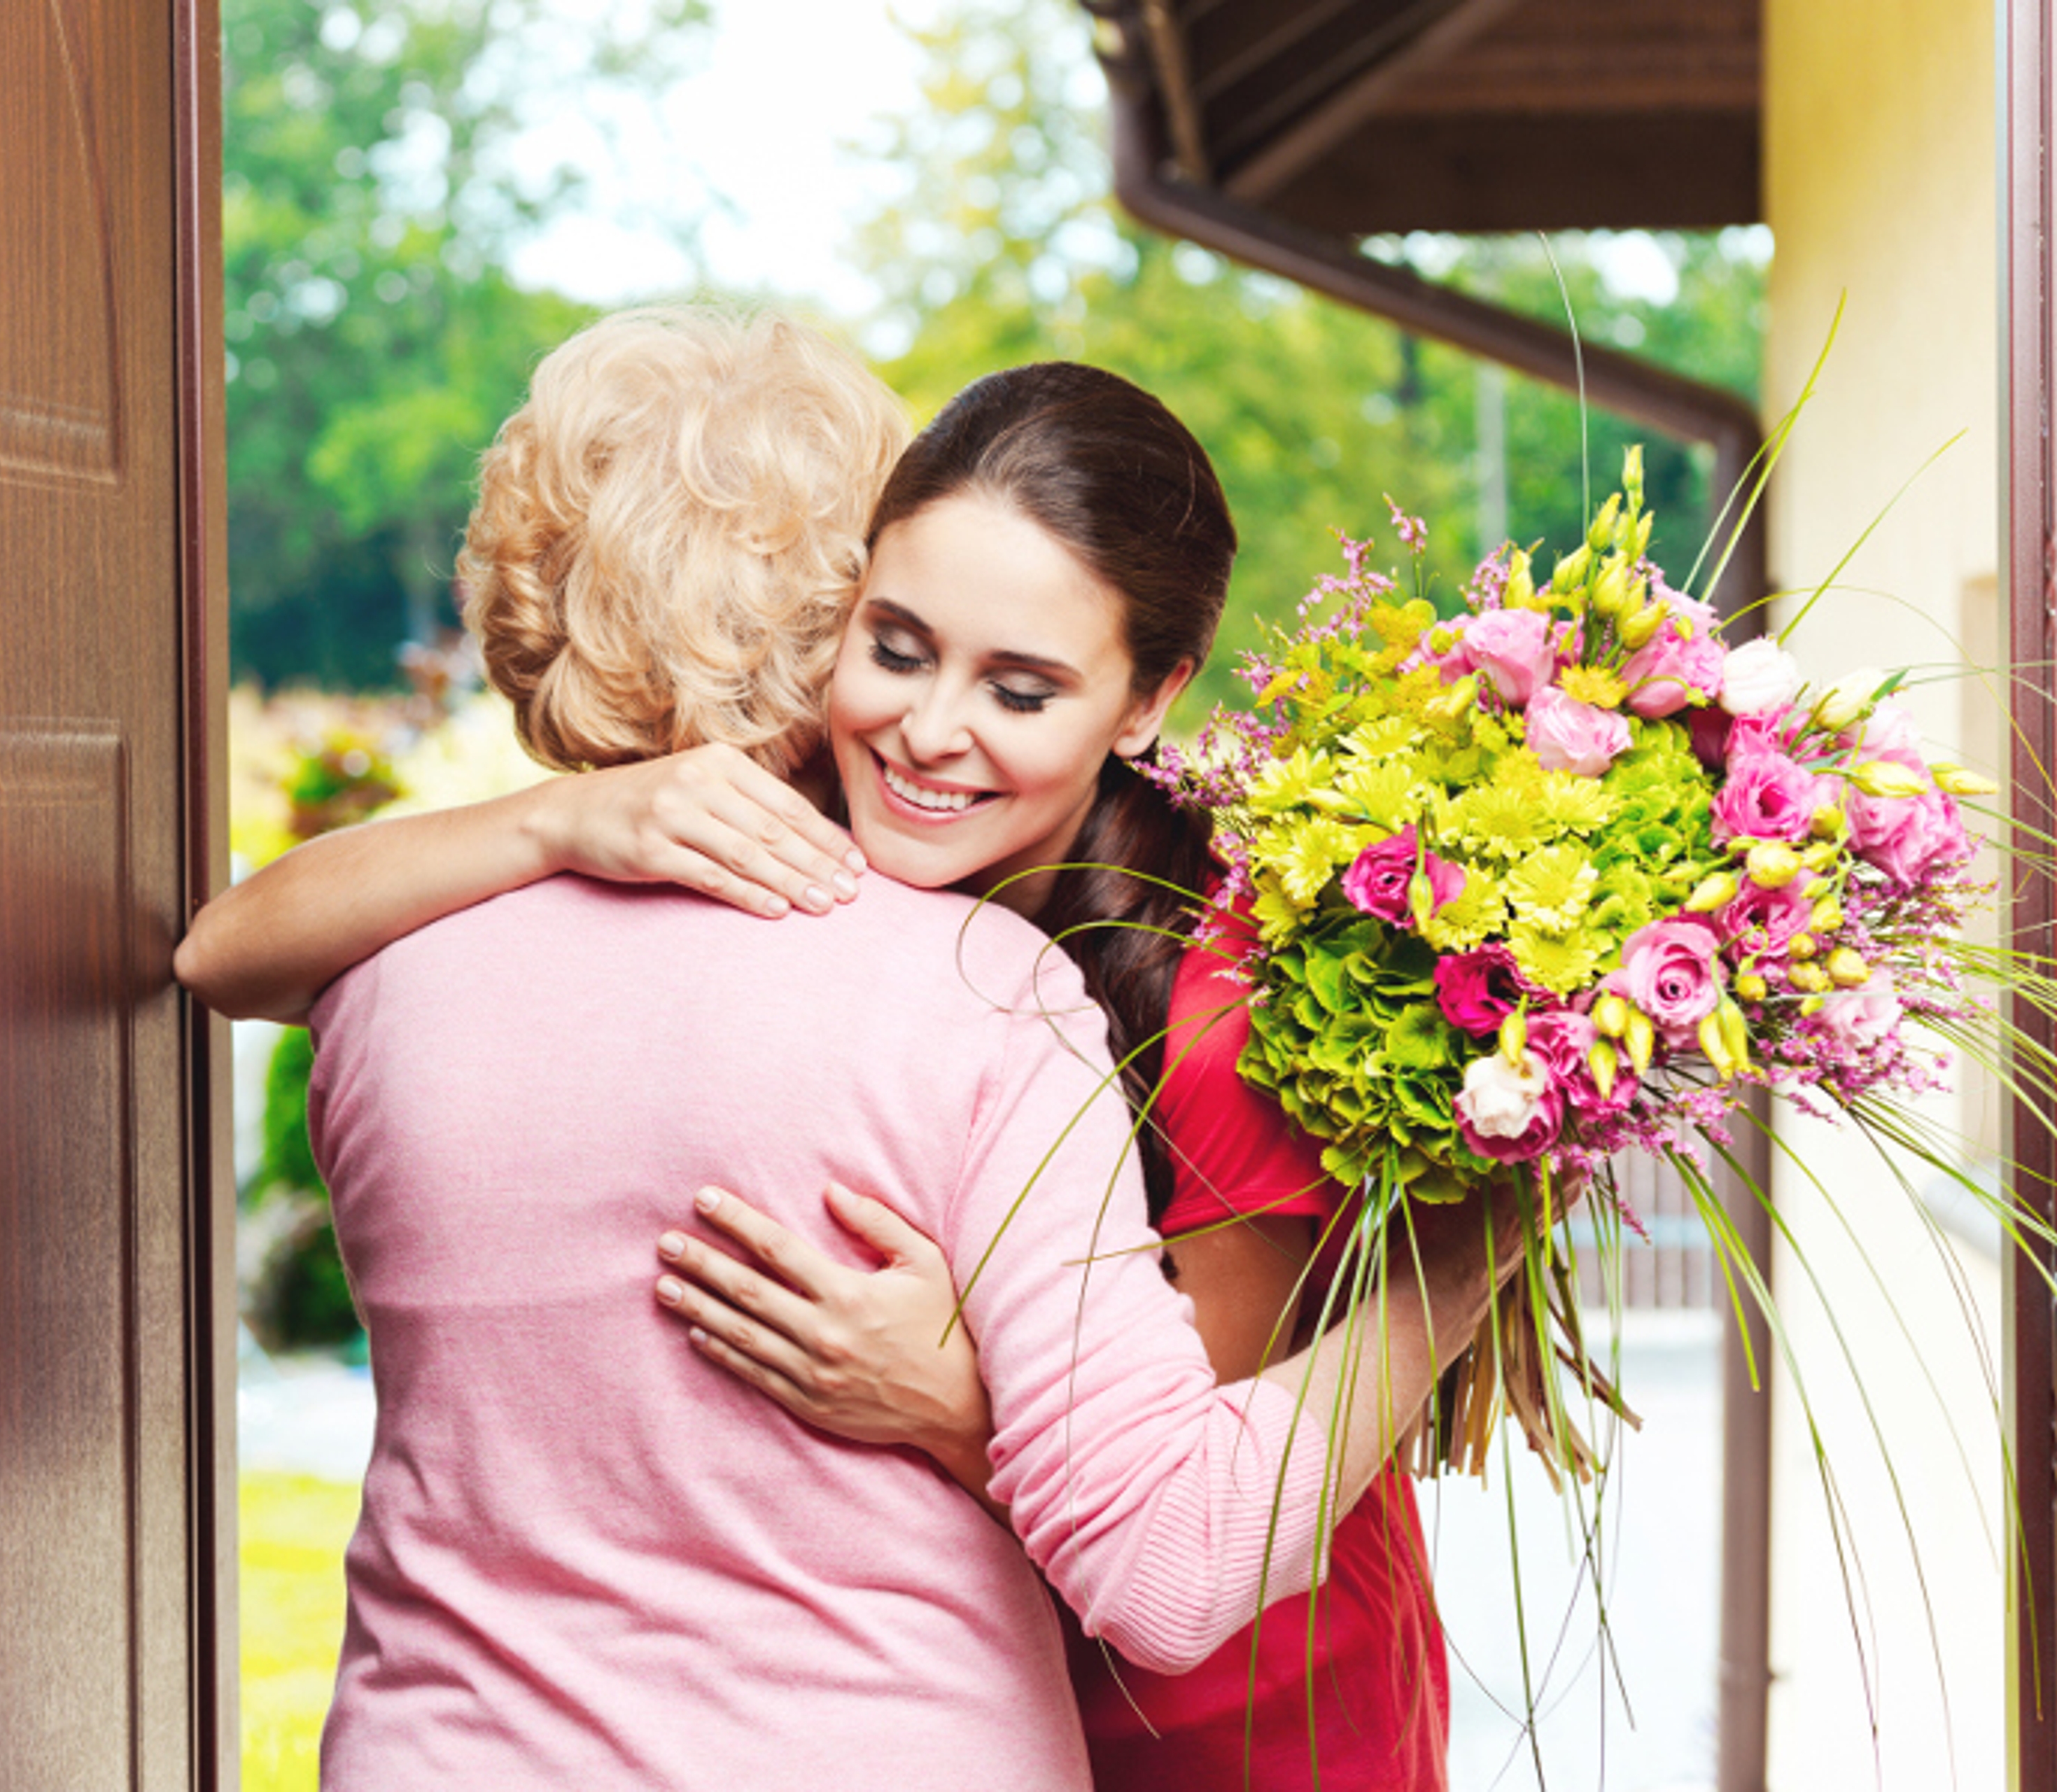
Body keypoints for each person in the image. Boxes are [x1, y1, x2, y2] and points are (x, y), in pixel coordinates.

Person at [175, 308, 1498, 1789]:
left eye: (1018, 683)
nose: (935, 727)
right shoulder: (975, 988)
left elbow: (223, 952)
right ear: (837, 609)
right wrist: (1468, 1252)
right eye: (899, 643)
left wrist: (950, 1400)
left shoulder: (380, 969)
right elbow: (1170, 1543)